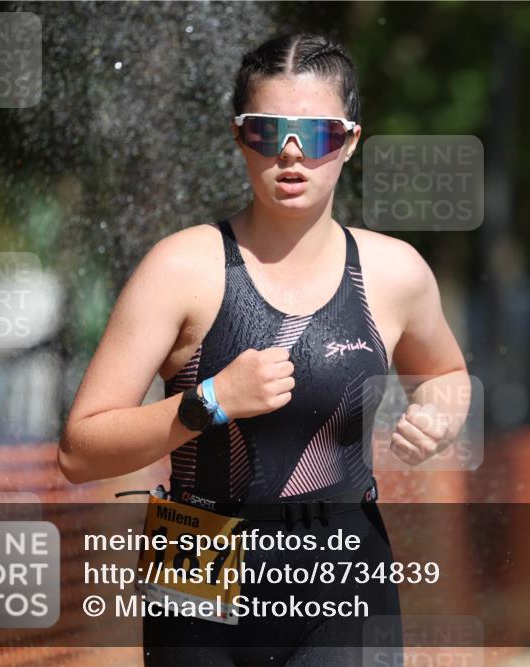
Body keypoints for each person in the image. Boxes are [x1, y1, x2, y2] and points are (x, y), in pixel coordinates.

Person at [58, 32, 471, 666]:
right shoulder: (182, 268)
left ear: (352, 141)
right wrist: (210, 402)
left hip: (340, 557)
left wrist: (439, 413)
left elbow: (445, 371)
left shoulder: (396, 273)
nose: (292, 153)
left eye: (319, 133)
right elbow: (79, 451)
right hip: (195, 553)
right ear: (238, 136)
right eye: (267, 131)